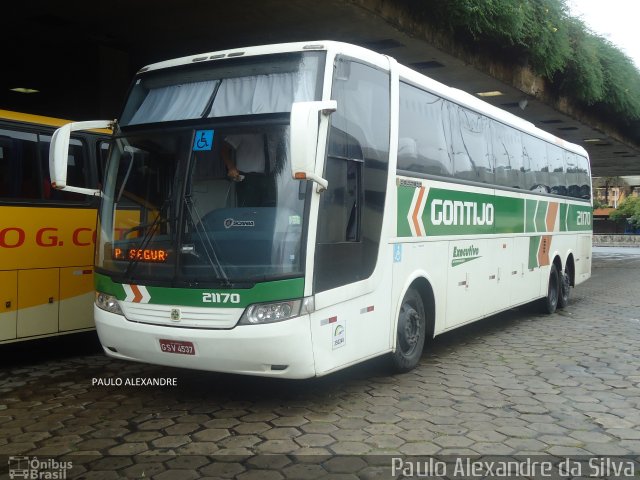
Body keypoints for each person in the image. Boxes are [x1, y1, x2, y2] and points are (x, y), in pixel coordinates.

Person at [221, 133, 273, 207]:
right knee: (248, 212)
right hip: (248, 180)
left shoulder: (274, 130)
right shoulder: (243, 131)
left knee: (271, 209)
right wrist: (231, 167)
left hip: (271, 178)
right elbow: (224, 150)